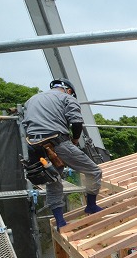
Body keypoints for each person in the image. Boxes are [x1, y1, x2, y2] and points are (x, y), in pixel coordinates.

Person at [22, 78, 103, 230]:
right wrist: (75, 140)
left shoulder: (32, 100)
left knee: (53, 180)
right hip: (57, 142)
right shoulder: (67, 98)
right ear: (69, 90)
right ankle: (91, 206)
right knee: (94, 171)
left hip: (34, 147)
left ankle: (60, 222)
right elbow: (77, 123)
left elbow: (26, 124)